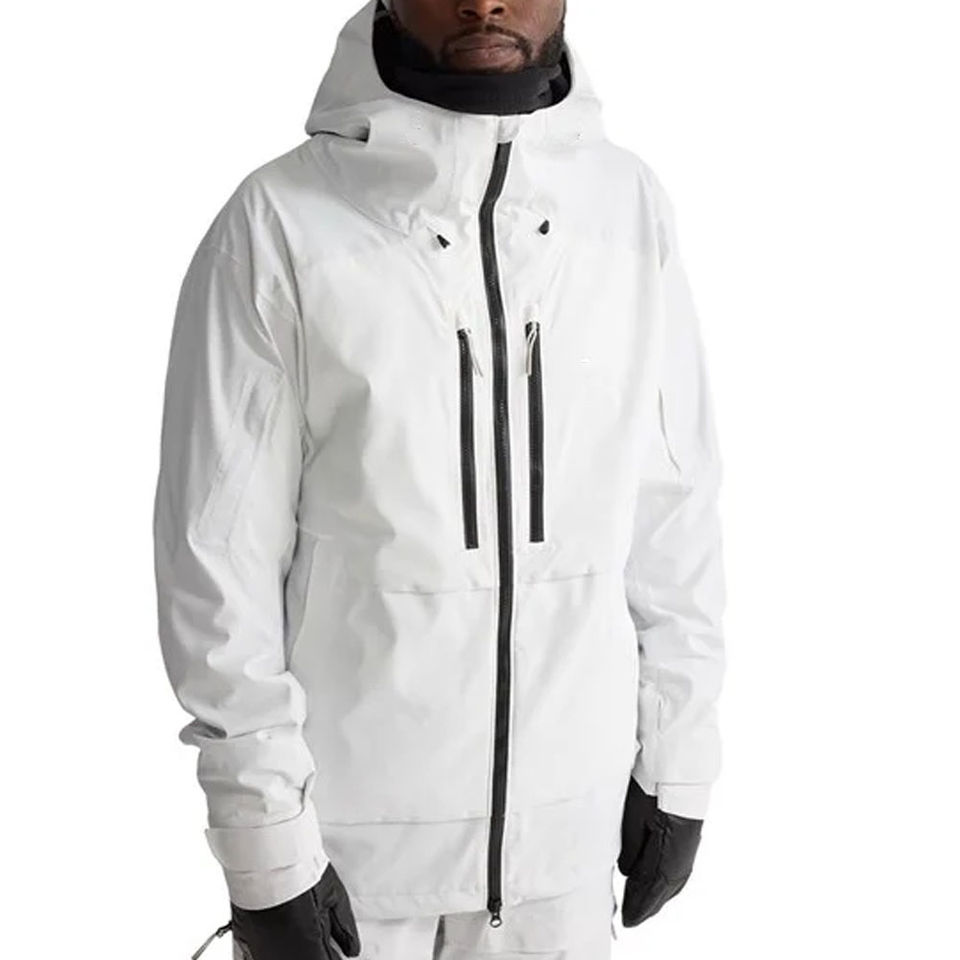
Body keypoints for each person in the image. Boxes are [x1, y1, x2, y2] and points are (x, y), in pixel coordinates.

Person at [152, 1, 727, 957]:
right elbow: (216, 558)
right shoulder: (280, 224)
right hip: (351, 871)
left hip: (565, 865)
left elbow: (673, 506)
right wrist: (264, 847)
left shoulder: (627, 209)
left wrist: (680, 756)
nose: (485, 0)